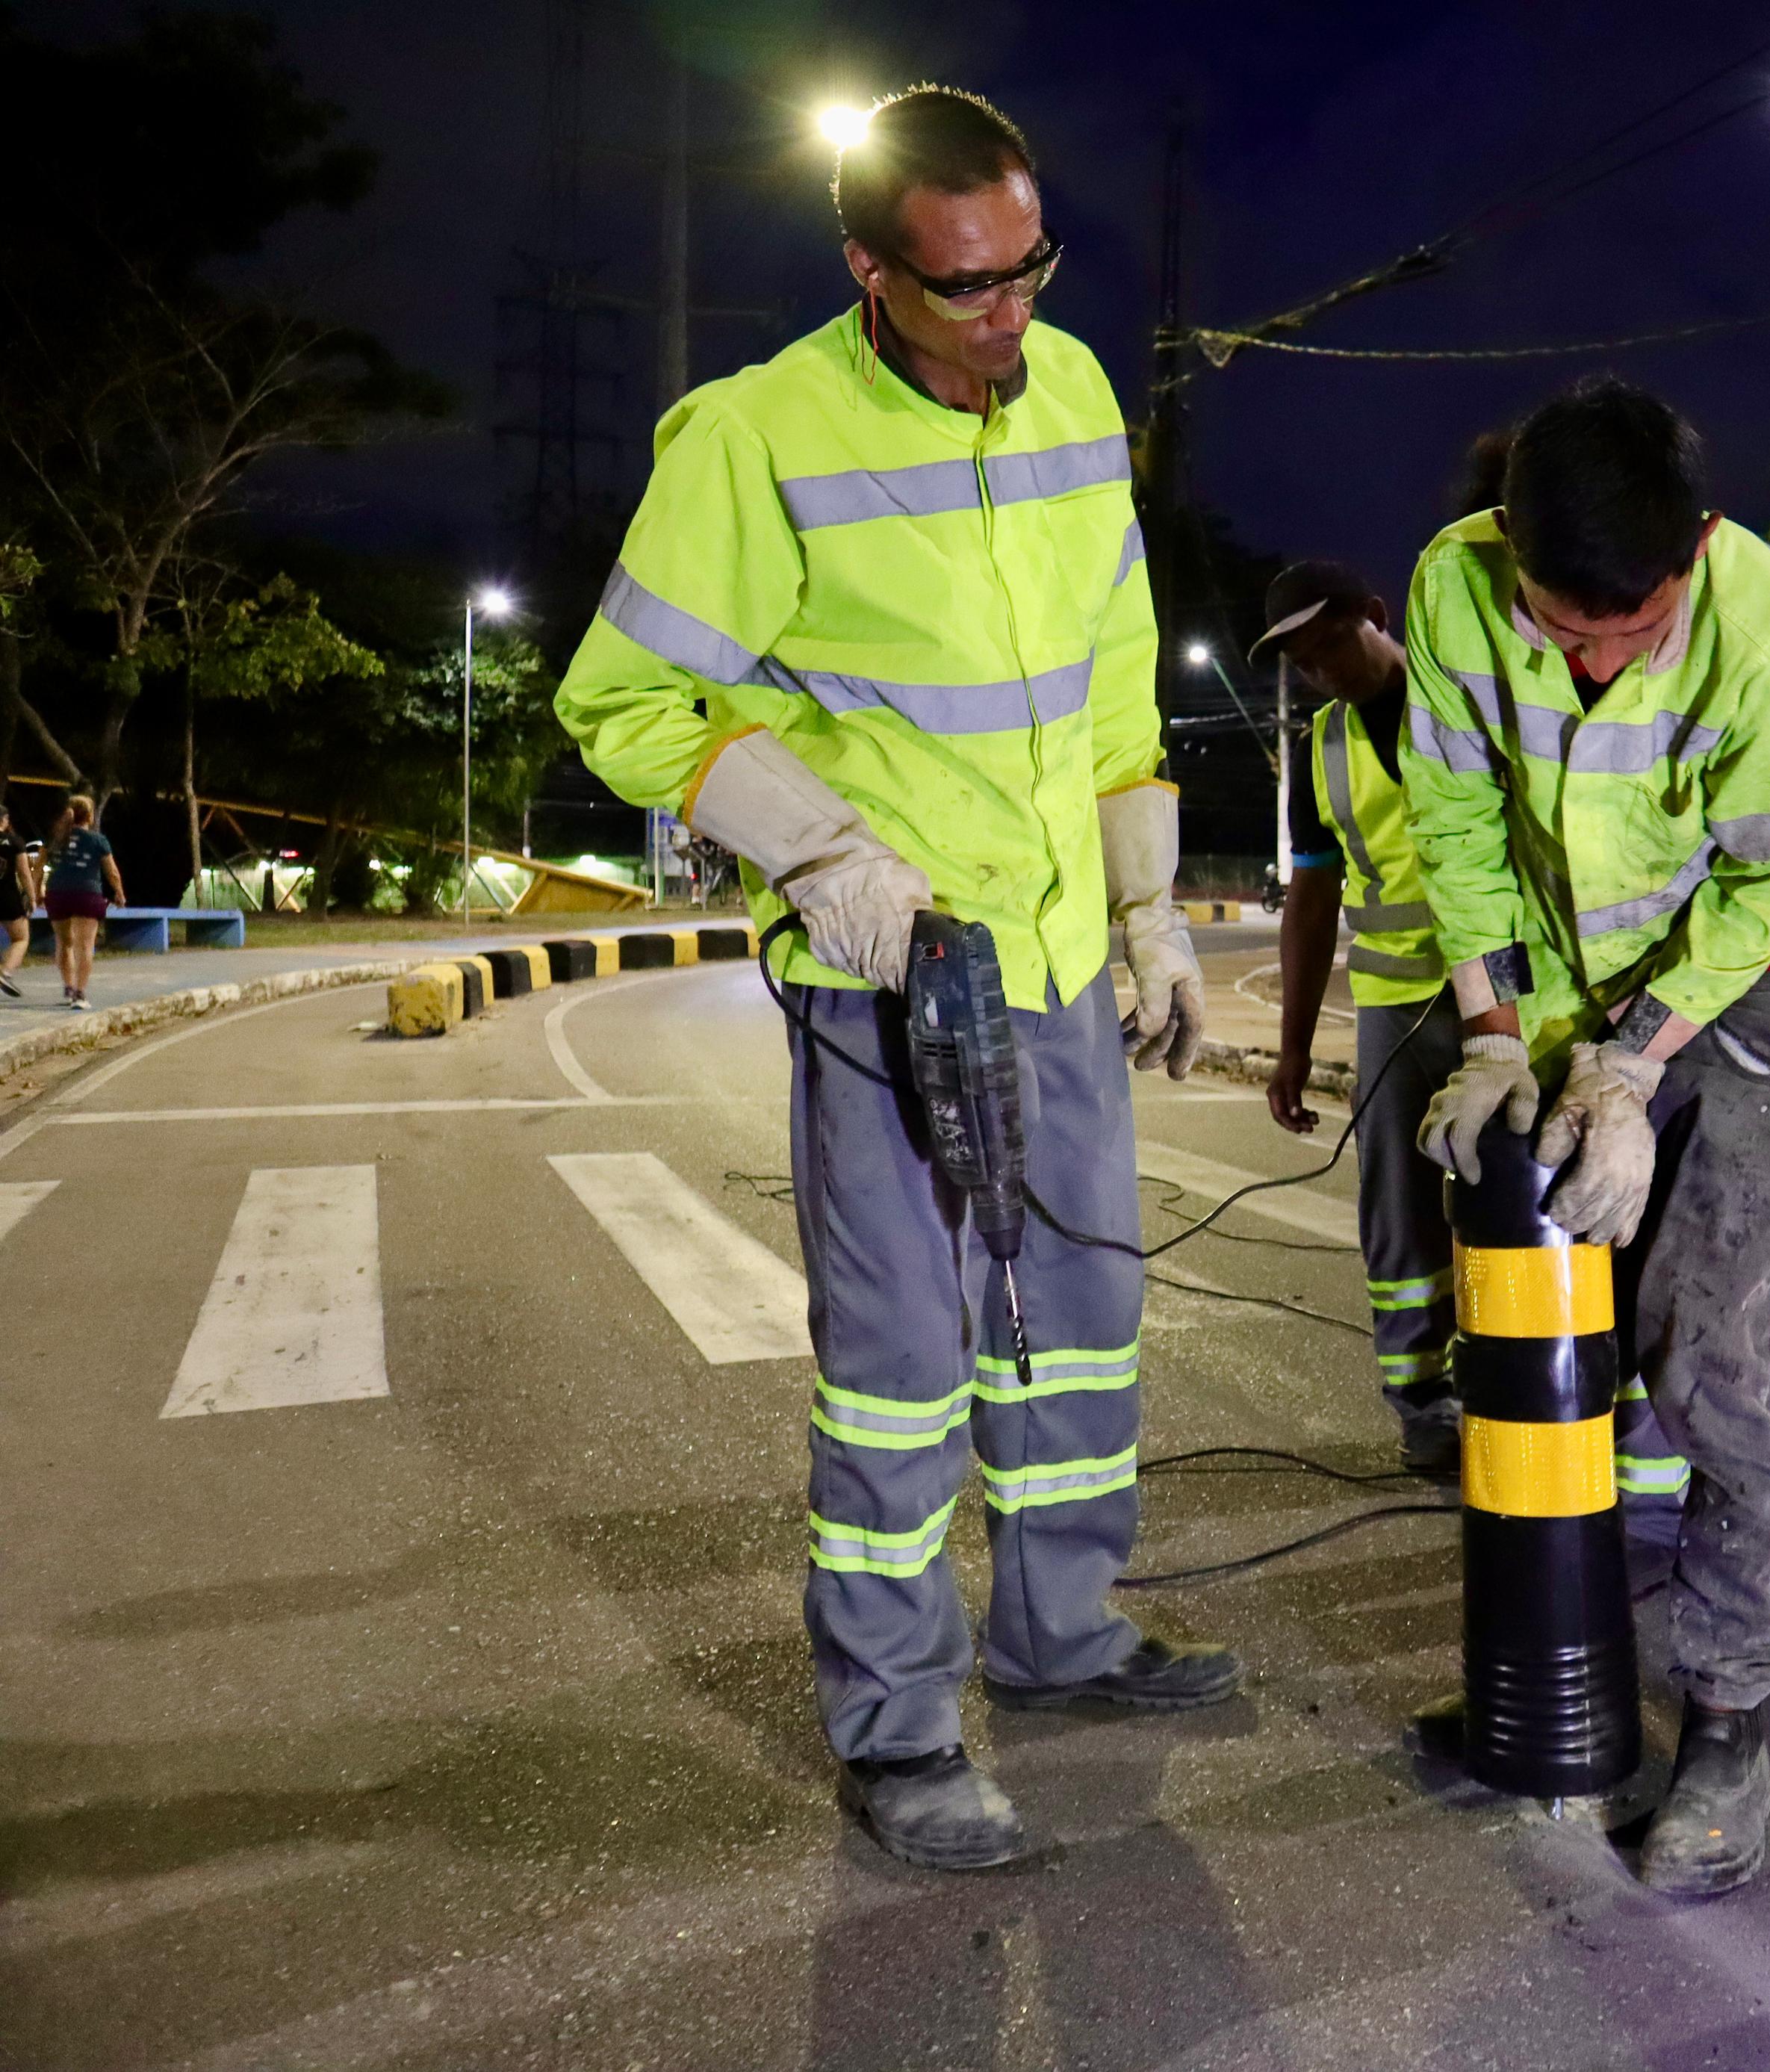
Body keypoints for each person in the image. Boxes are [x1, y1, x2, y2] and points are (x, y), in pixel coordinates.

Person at [551, 84, 1233, 1874]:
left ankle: (1064, 1635)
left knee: (1077, 1321)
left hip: (1063, 959)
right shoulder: (752, 439)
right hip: (890, 975)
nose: (1008, 317)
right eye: (964, 288)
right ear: (868, 270)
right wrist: (821, 855)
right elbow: (620, 704)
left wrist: (1151, 913)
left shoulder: (1078, 391)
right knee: (906, 1360)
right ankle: (899, 1721)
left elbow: (1108, 690)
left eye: (1030, 269)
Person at [1398, 376, 1770, 1896]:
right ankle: (1563, 1667)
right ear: (1502, 551)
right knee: (1546, 1331)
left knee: (1711, 1350)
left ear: (1701, 547)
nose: (1592, 661)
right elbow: (1458, 822)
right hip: (1563, 978)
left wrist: (1631, 1065)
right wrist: (1490, 1030)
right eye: (1562, 632)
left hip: (1750, 985)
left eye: (1632, 634)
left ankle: (1728, 1718)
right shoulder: (1454, 582)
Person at [1252, 561, 1467, 1476]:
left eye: (1332, 642)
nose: (1322, 669)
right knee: (1398, 1216)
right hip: (1390, 1010)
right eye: (1303, 661)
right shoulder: (1322, 748)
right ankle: (1421, 1403)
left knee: (1513, 1202)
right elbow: (1311, 899)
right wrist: (1292, 1048)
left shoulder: (1464, 704)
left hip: (1499, 995)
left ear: (1376, 617)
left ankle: (1521, 1384)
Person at [43, 793, 124, 1011]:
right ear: (89, 816)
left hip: (57, 895)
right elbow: (112, 872)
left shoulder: (56, 838)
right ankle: (80, 994)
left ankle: (68, 989)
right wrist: (119, 893)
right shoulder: (98, 840)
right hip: (87, 895)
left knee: (63, 943)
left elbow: (40, 865)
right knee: (85, 945)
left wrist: (36, 892)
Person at [0, 802, 35, 998]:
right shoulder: (15, 842)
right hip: (7, 897)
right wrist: (31, 896)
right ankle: (5, 973)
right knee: (21, 938)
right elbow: (23, 872)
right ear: (4, 821)